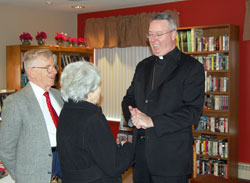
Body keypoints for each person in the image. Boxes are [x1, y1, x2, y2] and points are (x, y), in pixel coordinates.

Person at [122, 13, 205, 183]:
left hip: (171, 159)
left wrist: (152, 121)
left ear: (174, 34)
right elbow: (129, 98)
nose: (153, 39)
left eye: (159, 34)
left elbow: (192, 112)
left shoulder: (191, 67)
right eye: (150, 34)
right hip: (141, 156)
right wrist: (133, 116)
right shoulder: (143, 66)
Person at [57, 61, 134, 183]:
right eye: (98, 85)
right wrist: (129, 147)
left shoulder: (66, 111)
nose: (101, 88)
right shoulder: (92, 118)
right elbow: (114, 166)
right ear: (89, 92)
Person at [0, 49, 63, 183]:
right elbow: (6, 149)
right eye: (48, 68)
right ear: (31, 71)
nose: (55, 71)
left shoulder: (59, 96)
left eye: (54, 67)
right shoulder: (16, 102)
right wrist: (22, 177)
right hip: (34, 174)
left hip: (64, 167)